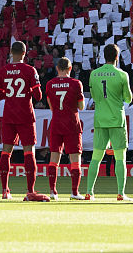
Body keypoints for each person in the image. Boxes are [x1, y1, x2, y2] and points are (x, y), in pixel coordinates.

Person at [0, 40, 47, 201]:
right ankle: (30, 191)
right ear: (25, 53)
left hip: (9, 114)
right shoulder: (30, 70)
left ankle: (5, 190)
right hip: (25, 114)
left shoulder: (3, 71)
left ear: (11, 52)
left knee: (6, 151)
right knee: (29, 151)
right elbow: (38, 96)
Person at [85, 43, 132, 201]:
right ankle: (120, 193)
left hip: (100, 119)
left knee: (96, 157)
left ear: (103, 57)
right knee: (120, 157)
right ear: (117, 57)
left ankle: (89, 192)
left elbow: (94, 95)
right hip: (116, 119)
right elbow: (128, 98)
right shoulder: (122, 75)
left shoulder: (94, 74)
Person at [44, 57, 85, 200]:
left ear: (57, 68)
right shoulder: (76, 83)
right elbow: (81, 106)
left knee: (54, 158)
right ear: (70, 68)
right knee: (75, 159)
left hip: (56, 123)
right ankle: (74, 192)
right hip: (72, 124)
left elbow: (51, 106)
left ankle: (52, 191)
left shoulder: (50, 84)